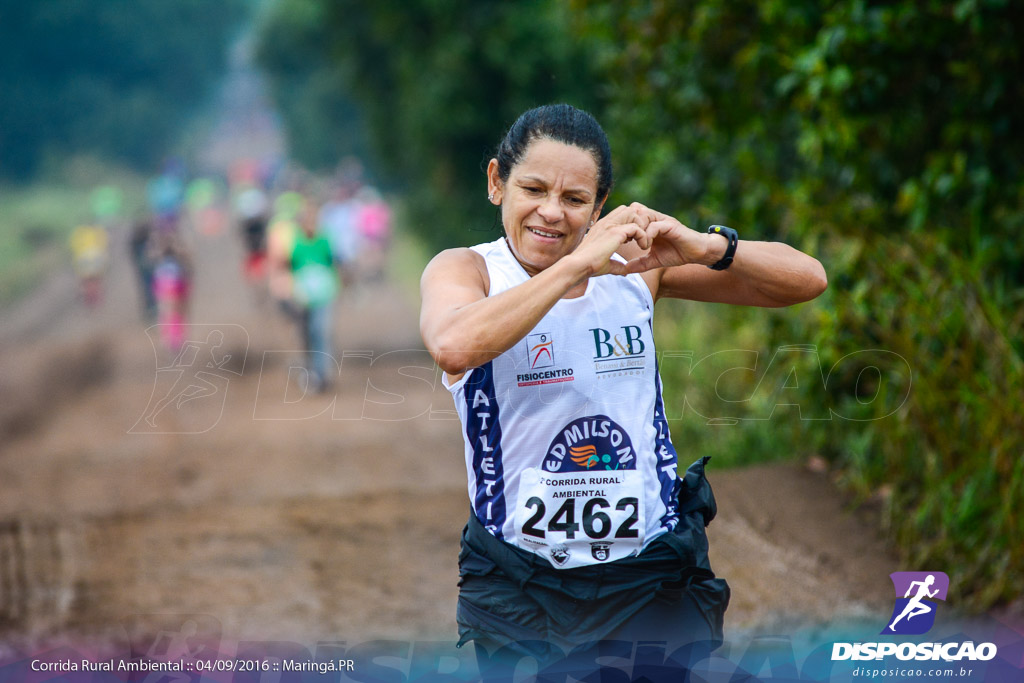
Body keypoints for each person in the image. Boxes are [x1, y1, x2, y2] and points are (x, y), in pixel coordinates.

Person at [419, 104, 827, 680]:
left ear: (600, 206)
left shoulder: (634, 270)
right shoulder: (469, 271)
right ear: (496, 183)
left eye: (575, 200)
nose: (551, 213)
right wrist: (574, 264)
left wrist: (707, 247)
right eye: (532, 189)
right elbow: (454, 345)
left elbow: (807, 280)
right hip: (521, 583)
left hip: (649, 573)